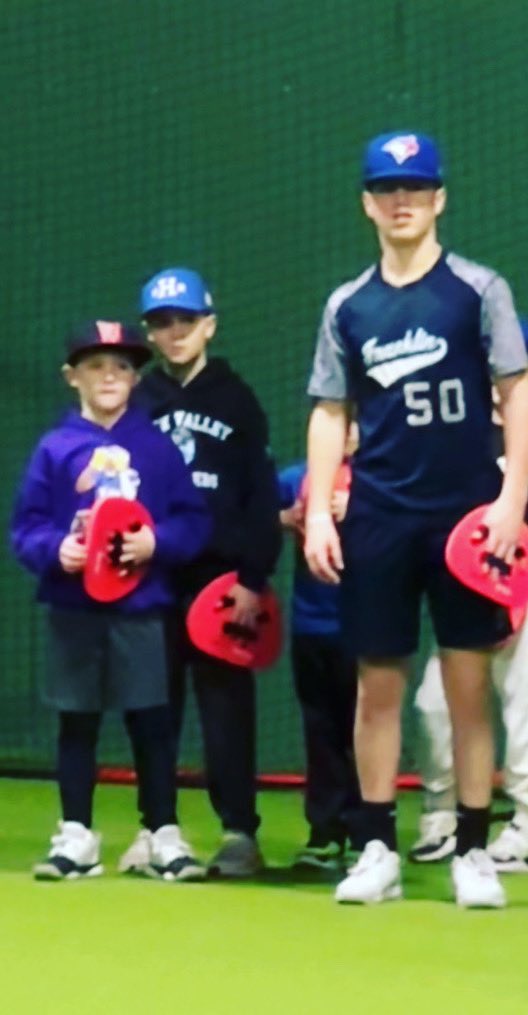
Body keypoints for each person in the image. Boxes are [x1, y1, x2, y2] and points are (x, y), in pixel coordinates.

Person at [303, 131, 528, 908]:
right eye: (385, 189)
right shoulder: (347, 305)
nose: (400, 201)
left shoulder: (478, 290)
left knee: (467, 686)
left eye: (414, 188)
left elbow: (517, 393)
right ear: (367, 203)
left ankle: (472, 849)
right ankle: (376, 846)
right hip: (377, 516)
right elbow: (330, 410)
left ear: (439, 198)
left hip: (465, 518)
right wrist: (318, 512)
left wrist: (510, 502)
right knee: (377, 687)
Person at [10, 321, 210, 881]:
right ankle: (77, 835)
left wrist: (156, 543)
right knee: (77, 722)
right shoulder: (54, 449)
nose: (109, 377)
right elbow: (25, 528)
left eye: (121, 367)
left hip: (141, 608)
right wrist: (57, 550)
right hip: (74, 609)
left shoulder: (157, 449)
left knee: (151, 722)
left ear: (136, 379)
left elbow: (192, 520)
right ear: (71, 377)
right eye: (95, 366)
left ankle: (162, 833)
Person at [411, 317, 528, 872]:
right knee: (434, 704)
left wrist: (512, 557)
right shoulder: (456, 439)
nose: (497, 373)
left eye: (514, 363)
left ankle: (527, 829)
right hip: (463, 592)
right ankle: (441, 816)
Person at [124, 267, 283, 878]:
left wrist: (252, 578)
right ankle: (156, 828)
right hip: (152, 578)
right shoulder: (139, 401)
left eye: (186, 321)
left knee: (226, 713)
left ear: (209, 325)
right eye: (162, 323)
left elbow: (259, 495)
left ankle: (239, 831)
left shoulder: (237, 400)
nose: (175, 333)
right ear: (149, 333)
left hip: (221, 584)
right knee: (152, 708)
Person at [277, 424, 361, 871]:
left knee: (365, 730)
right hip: (310, 626)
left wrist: (362, 510)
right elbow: (253, 514)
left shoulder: (380, 482)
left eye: (353, 424)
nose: (345, 434)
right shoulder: (296, 478)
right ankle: (325, 833)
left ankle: (370, 834)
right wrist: (288, 517)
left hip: (367, 628)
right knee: (321, 730)